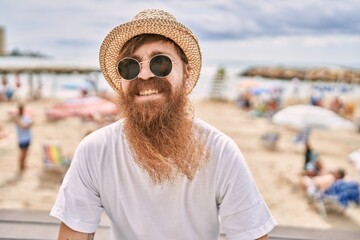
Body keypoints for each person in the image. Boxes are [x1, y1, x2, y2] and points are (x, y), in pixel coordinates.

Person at [50, 9, 277, 240]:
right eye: (130, 66)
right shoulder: (95, 151)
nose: (145, 75)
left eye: (160, 63)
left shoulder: (219, 152)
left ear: (186, 74)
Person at [13, 103, 33, 174]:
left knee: (26, 153)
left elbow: (30, 124)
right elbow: (23, 127)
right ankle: (20, 167)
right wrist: (28, 125)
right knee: (22, 154)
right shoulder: (17, 117)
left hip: (27, 137)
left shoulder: (25, 117)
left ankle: (24, 165)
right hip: (22, 139)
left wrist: (28, 125)